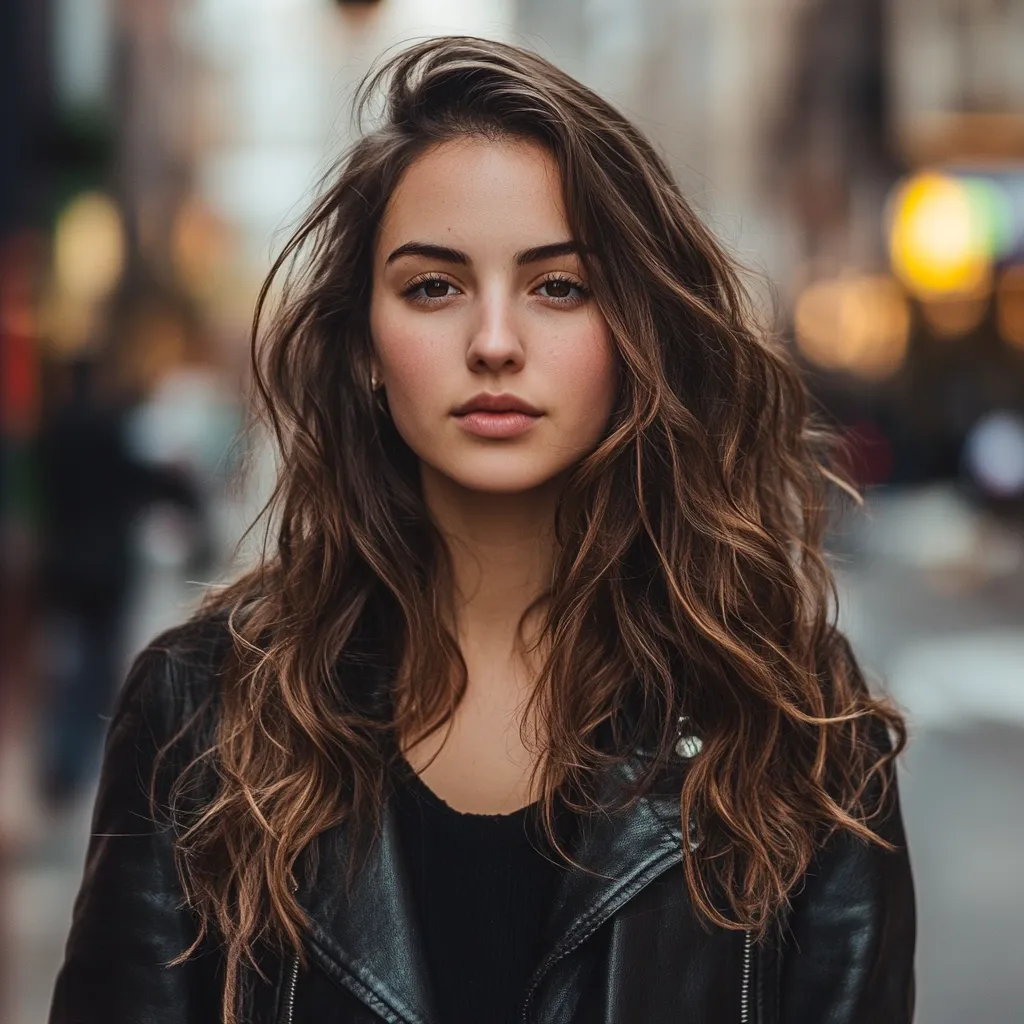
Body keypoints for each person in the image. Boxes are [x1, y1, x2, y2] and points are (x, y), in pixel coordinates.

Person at [49, 36, 915, 1024]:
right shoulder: (201, 708)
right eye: (433, 286)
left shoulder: (796, 722)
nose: (494, 343)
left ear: (636, 334)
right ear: (364, 345)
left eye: (559, 287)